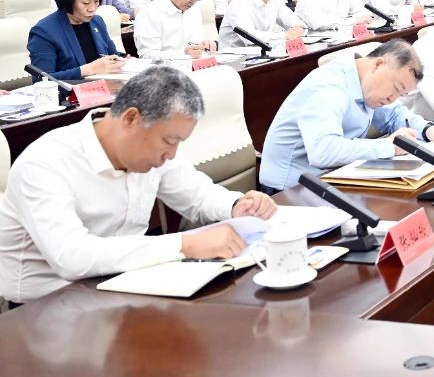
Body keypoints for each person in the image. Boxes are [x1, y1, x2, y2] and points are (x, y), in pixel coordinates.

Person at [0, 66, 278, 303]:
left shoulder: (148, 148)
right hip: (46, 309)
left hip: (127, 285)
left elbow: (197, 194)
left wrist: (236, 205)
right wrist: (184, 244)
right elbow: (71, 257)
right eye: (169, 141)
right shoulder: (45, 163)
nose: (172, 154)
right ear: (130, 119)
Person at [258, 40, 434, 191]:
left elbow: (394, 115)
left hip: (333, 177)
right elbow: (322, 151)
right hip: (289, 191)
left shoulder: (368, 84)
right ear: (378, 64)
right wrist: (388, 146)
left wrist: (427, 130)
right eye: (396, 88)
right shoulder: (329, 87)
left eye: (401, 94)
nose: (393, 99)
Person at [27, 0, 124, 82]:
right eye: (86, 3)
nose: (92, 8)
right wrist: (88, 69)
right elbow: (41, 80)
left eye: (96, 1)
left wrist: (123, 60)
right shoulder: (44, 31)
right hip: (71, 92)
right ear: (68, 1)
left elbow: (113, 55)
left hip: (105, 87)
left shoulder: (97, 21)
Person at [133, 0, 218, 60]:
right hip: (165, 69)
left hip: (195, 66)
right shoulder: (149, 13)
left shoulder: (194, 10)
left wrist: (205, 44)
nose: (193, 2)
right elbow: (147, 56)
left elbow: (196, 43)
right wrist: (183, 54)